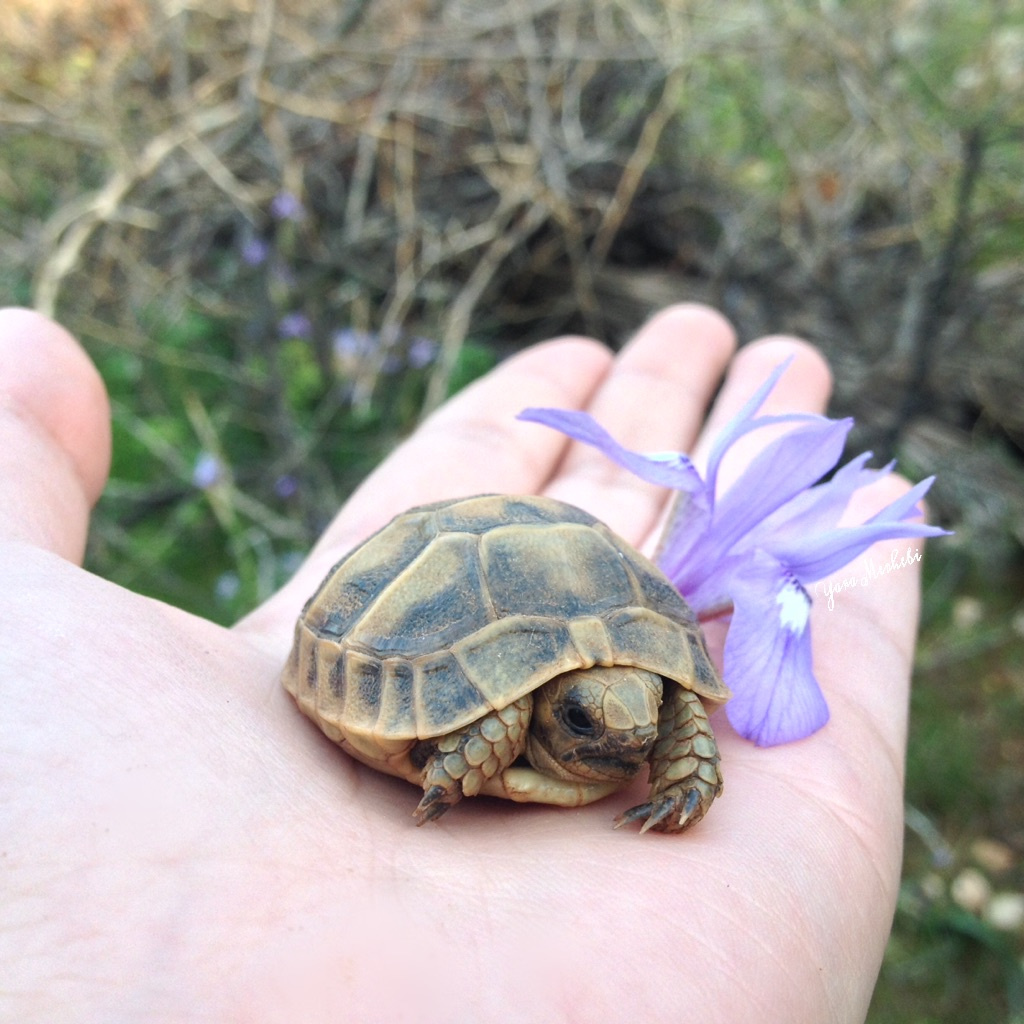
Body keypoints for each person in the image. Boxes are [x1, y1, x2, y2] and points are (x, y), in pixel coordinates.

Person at [0, 304, 922, 1022]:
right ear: (552, 715)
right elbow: (503, 709)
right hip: (421, 626)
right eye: (593, 724)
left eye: (637, 719)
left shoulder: (643, 708)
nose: (626, 738)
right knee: (500, 716)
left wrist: (683, 762)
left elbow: (669, 706)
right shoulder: (513, 718)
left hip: (590, 606)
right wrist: (473, 749)